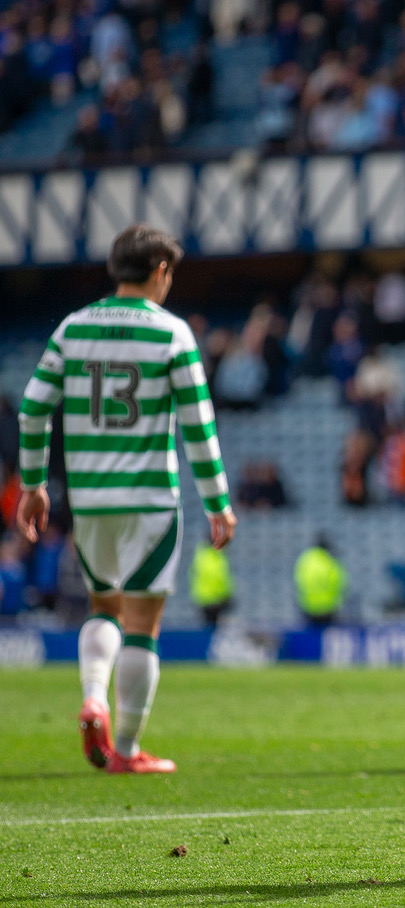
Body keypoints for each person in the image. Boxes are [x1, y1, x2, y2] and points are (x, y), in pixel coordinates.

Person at [15, 224, 237, 774]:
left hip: (90, 502)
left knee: (102, 608)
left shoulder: (72, 329)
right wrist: (217, 503)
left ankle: (94, 696)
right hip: (151, 503)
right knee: (143, 623)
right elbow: (198, 428)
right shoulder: (173, 334)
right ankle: (130, 751)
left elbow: (32, 410)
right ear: (161, 270)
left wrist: (34, 484)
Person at [294, 535, 347, 627]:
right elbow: (340, 582)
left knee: (311, 633)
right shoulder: (330, 560)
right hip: (328, 607)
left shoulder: (306, 559)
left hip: (308, 606)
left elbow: (298, 580)